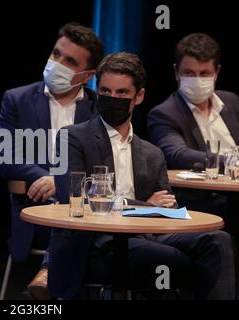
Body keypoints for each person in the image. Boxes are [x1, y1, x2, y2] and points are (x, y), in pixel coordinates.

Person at [49, 52, 236, 299]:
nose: (112, 99)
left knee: (219, 242)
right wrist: (145, 205)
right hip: (98, 242)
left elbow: (168, 209)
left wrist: (152, 209)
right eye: (105, 91)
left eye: (121, 93)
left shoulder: (152, 152)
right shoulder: (72, 138)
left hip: (149, 236)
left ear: (139, 97)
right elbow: (76, 198)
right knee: (178, 262)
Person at [0, 22, 103, 298]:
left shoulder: (99, 109)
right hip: (37, 207)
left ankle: (48, 273)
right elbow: (4, 156)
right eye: (56, 54)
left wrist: (63, 183)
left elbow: (106, 162)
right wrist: (46, 178)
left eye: (69, 61)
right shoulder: (17, 99)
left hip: (86, 211)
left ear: (87, 75)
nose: (57, 63)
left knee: (76, 209)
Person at [147, 33, 239, 216]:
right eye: (189, 73)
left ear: (217, 73)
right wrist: (233, 162)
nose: (197, 80)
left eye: (204, 73)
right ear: (176, 72)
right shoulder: (164, 114)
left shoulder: (231, 101)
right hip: (204, 201)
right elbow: (178, 154)